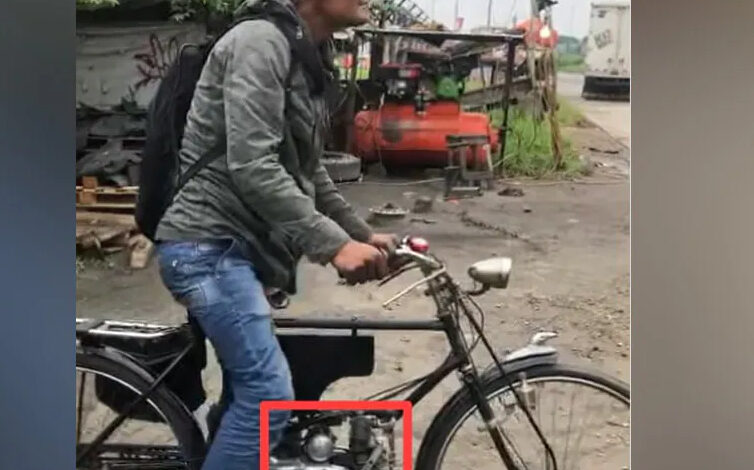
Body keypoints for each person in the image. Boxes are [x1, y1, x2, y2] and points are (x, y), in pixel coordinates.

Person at [154, 0, 395, 468]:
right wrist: (333, 246)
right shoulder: (259, 42)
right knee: (267, 393)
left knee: (247, 394)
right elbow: (254, 167)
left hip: (236, 251)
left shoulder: (304, 51)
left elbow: (307, 171)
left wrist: (359, 234)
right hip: (207, 247)